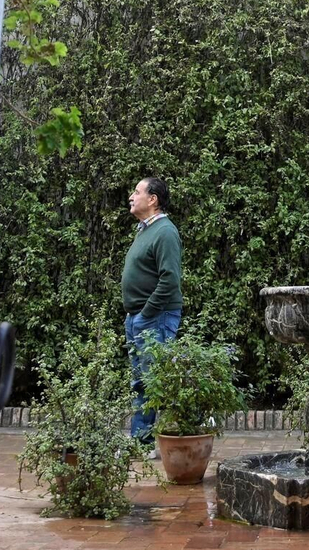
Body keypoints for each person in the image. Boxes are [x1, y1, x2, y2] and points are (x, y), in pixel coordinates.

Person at [121, 176, 182, 454]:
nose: (132, 197)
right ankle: (143, 440)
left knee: (151, 381)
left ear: (153, 199)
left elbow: (170, 280)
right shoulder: (144, 230)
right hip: (137, 317)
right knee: (142, 381)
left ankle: (143, 443)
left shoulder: (165, 232)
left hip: (153, 316)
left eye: (137, 192)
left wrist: (146, 313)